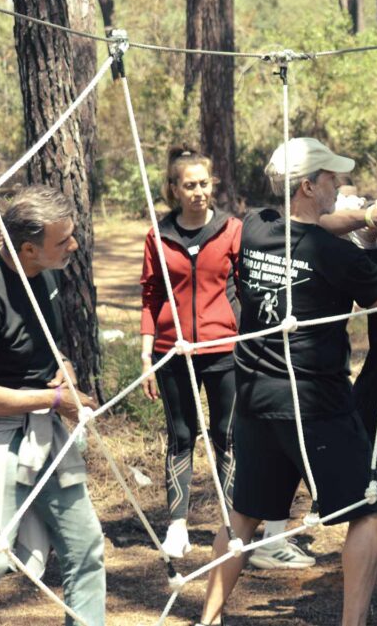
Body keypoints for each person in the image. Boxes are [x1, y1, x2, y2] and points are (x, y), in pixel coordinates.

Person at [196, 138, 377, 626]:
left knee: (243, 517)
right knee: (369, 510)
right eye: (331, 178)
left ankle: (207, 619)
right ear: (309, 186)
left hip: (255, 396)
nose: (339, 185)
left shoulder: (255, 226)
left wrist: (370, 215)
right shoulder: (336, 256)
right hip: (317, 403)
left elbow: (315, 226)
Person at [0, 185, 104, 626]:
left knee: (85, 548)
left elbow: (49, 346)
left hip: (43, 428)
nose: (74, 246)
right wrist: (55, 399)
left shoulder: (46, 272)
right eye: (63, 241)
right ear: (27, 248)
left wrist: (64, 368)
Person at [138, 148, 261, 562]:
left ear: (213, 185)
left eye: (204, 184)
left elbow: (246, 288)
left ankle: (231, 524)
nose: (198, 192)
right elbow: (150, 297)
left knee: (227, 435)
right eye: (189, 185)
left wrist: (248, 340)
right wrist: (146, 357)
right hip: (172, 351)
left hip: (224, 349)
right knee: (181, 436)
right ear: (174, 189)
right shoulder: (158, 235)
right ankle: (177, 527)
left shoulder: (232, 229)